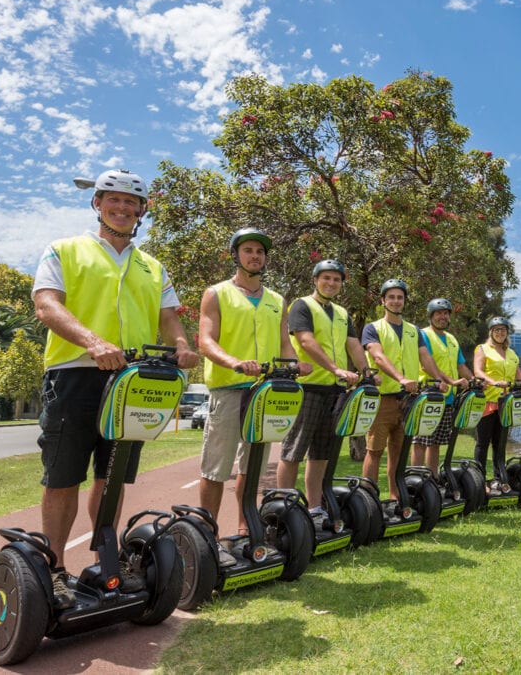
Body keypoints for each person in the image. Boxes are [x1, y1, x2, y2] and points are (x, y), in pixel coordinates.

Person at [33, 169, 200, 607]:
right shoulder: (65, 249)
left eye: (132, 202)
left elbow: (168, 317)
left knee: (111, 476)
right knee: (64, 477)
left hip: (134, 381)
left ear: (142, 210)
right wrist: (93, 342)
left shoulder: (152, 265)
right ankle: (52, 569)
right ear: (98, 204)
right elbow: (46, 304)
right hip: (74, 374)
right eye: (115, 200)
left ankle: (106, 563)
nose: (123, 208)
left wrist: (182, 346)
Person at [197, 227, 310, 559]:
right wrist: (234, 362)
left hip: (266, 391)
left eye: (260, 252)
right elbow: (205, 340)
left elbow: (285, 344)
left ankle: (247, 529)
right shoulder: (216, 293)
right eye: (248, 250)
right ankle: (207, 533)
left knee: (254, 467)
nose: (255, 256)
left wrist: (296, 364)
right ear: (236, 255)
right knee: (216, 467)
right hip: (231, 388)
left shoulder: (277, 300)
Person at [276, 259, 375, 518]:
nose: (331, 283)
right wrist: (336, 369)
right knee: (294, 450)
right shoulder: (302, 305)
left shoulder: (342, 314)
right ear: (315, 280)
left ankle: (315, 506)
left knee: (322, 452)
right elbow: (306, 341)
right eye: (326, 278)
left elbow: (353, 345)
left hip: (334, 391)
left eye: (336, 279)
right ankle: (282, 508)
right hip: (308, 387)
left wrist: (366, 372)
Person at [361, 279, 447, 498]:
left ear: (404, 301)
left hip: (408, 400)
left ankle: (396, 497)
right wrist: (400, 378)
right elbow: (377, 356)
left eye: (400, 297)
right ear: (383, 301)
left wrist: (438, 379)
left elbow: (425, 356)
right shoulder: (372, 328)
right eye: (391, 297)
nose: (396, 301)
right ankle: (367, 499)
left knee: (399, 452)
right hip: (382, 399)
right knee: (374, 450)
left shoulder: (413, 331)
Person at [411, 298, 471, 475]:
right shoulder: (423, 335)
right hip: (428, 395)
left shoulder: (452, 339)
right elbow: (425, 365)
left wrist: (474, 380)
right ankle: (416, 479)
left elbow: (461, 365)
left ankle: (432, 479)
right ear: (431, 316)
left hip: (448, 398)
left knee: (435, 443)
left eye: (445, 313)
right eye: (438, 313)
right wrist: (452, 381)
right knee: (421, 441)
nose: (442, 317)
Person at [473, 316, 521, 491]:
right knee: (483, 443)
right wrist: (494, 382)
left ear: (507, 333)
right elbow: (478, 371)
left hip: (505, 404)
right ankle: (479, 480)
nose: (500, 333)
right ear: (491, 332)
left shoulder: (512, 354)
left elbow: (518, 373)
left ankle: (499, 478)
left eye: (503, 330)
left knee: (500, 443)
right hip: (487, 401)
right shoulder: (483, 349)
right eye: (497, 330)